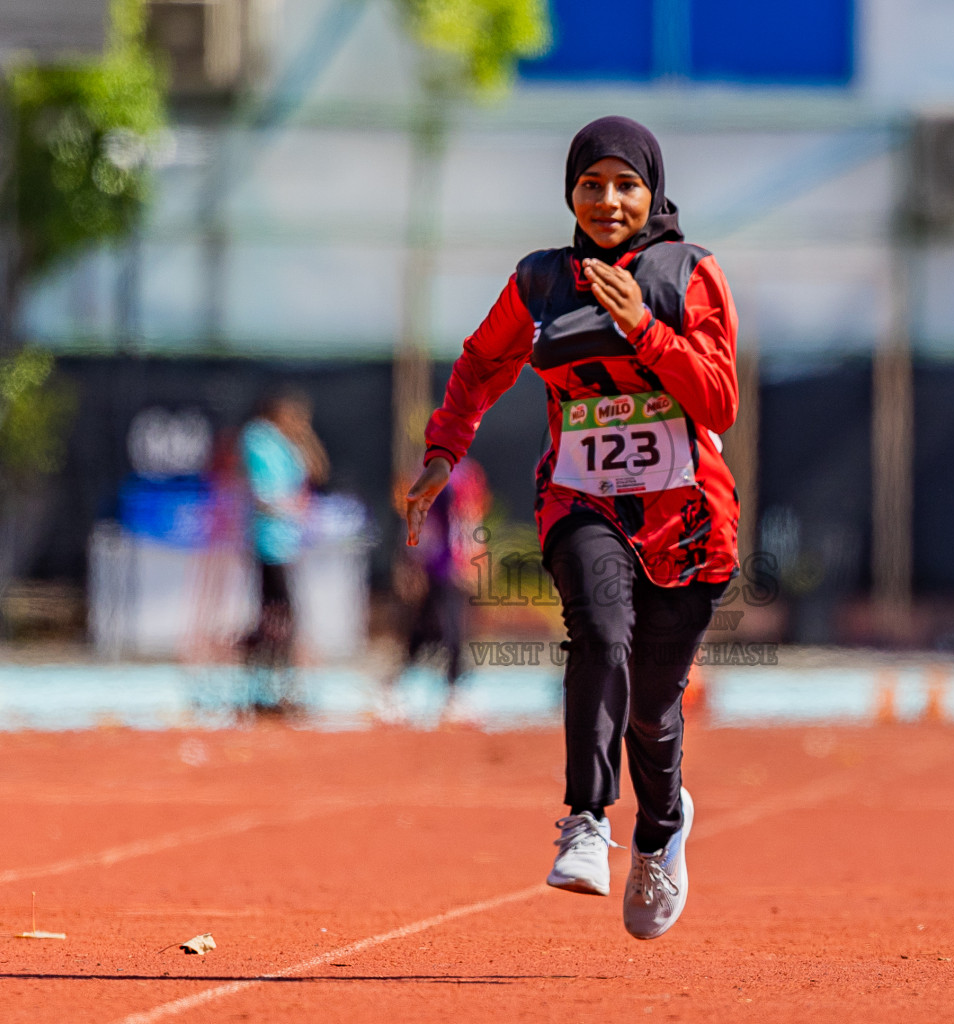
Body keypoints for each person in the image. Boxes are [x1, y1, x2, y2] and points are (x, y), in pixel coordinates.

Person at [404, 116, 739, 940]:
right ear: (571, 194)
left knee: (653, 709)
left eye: (626, 184)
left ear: (653, 191)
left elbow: (720, 401)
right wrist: (444, 452)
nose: (609, 201)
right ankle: (587, 820)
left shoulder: (687, 273)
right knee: (597, 629)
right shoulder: (543, 282)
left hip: (688, 517)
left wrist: (645, 330)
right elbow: (483, 362)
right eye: (592, 185)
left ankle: (661, 834)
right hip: (581, 500)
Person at [239, 389, 328, 707]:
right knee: (278, 617)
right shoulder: (259, 439)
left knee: (282, 617)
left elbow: (318, 470)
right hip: (269, 543)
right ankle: (267, 687)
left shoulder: (286, 444)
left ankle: (274, 687)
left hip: (287, 544)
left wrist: (304, 435)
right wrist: (288, 508)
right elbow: (263, 496)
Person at [394, 457, 488, 724]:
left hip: (451, 563)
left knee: (447, 627)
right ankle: (418, 689)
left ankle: (451, 690)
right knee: (437, 626)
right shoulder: (428, 473)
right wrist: (412, 562)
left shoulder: (466, 474)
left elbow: (469, 517)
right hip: (436, 565)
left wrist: (472, 557)